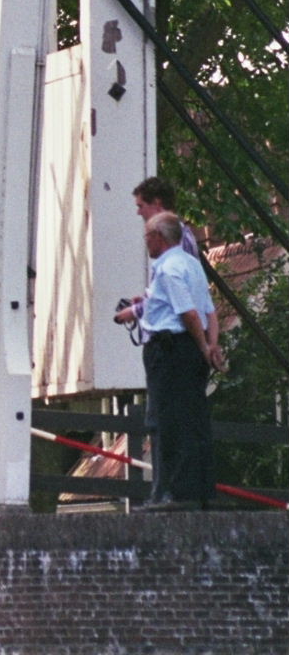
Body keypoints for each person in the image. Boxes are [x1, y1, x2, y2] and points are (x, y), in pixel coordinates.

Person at [116, 211, 223, 506]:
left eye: (147, 237)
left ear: (159, 238)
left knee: (165, 420)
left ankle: (169, 492)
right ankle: (200, 492)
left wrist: (203, 347)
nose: (145, 242)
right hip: (191, 347)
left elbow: (187, 311)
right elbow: (208, 312)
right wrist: (211, 345)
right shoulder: (192, 264)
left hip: (170, 349)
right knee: (193, 417)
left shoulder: (168, 269)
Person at [124, 178, 218, 347]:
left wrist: (133, 312)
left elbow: (184, 296)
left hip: (176, 342)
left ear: (157, 203)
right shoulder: (176, 241)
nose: (139, 213)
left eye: (141, 206)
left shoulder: (177, 241)